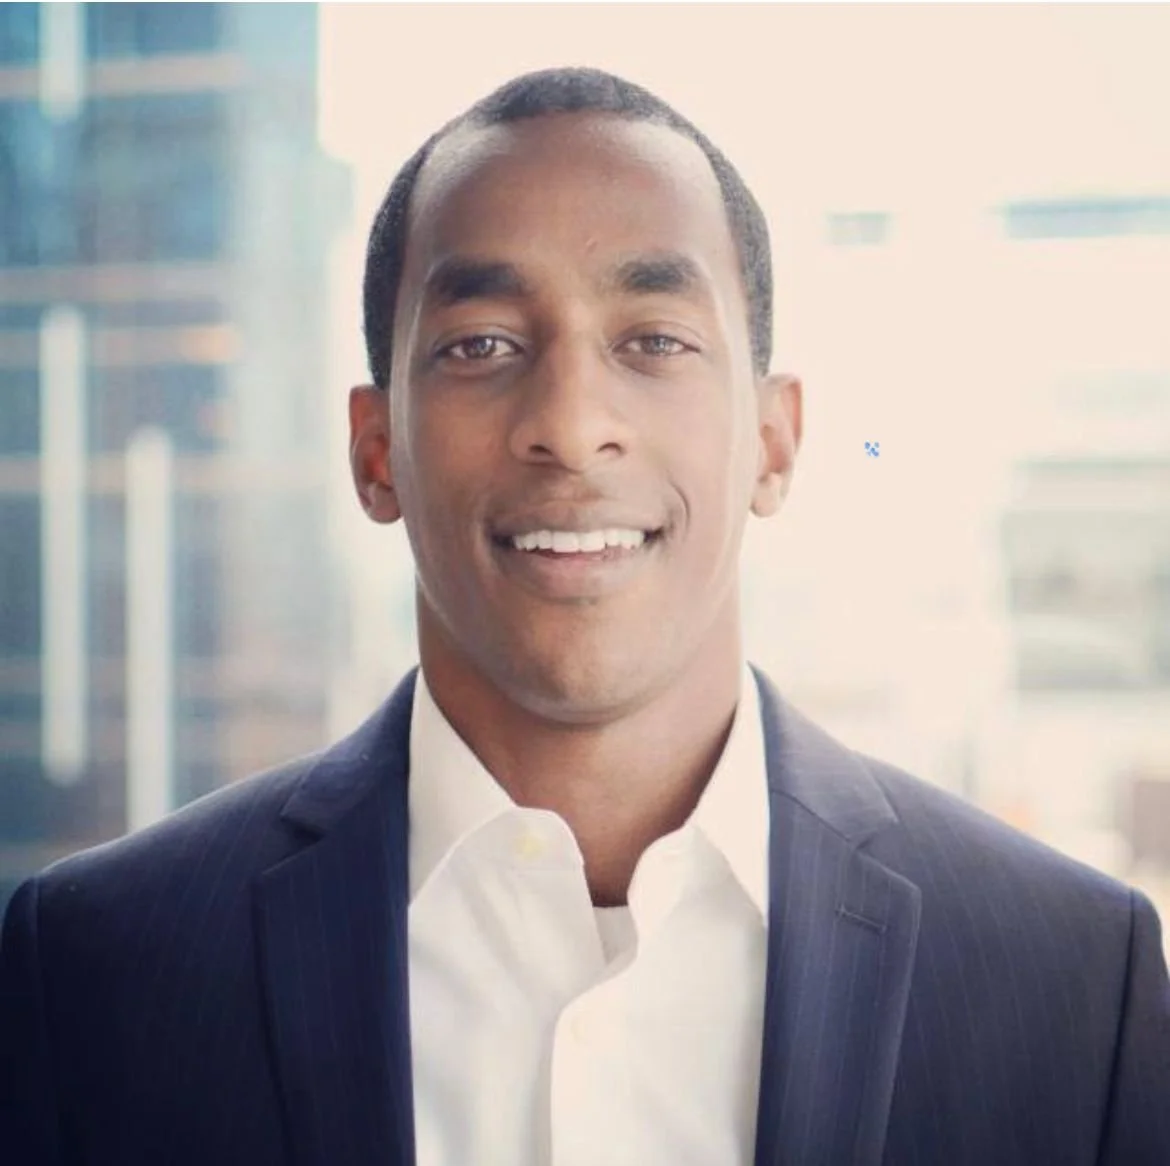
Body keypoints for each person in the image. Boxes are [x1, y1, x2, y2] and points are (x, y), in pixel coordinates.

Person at [2, 66, 1168, 1166]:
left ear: (774, 438)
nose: (570, 418)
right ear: (374, 450)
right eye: (482, 345)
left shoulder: (1076, 980)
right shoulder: (97, 967)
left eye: (653, 340)